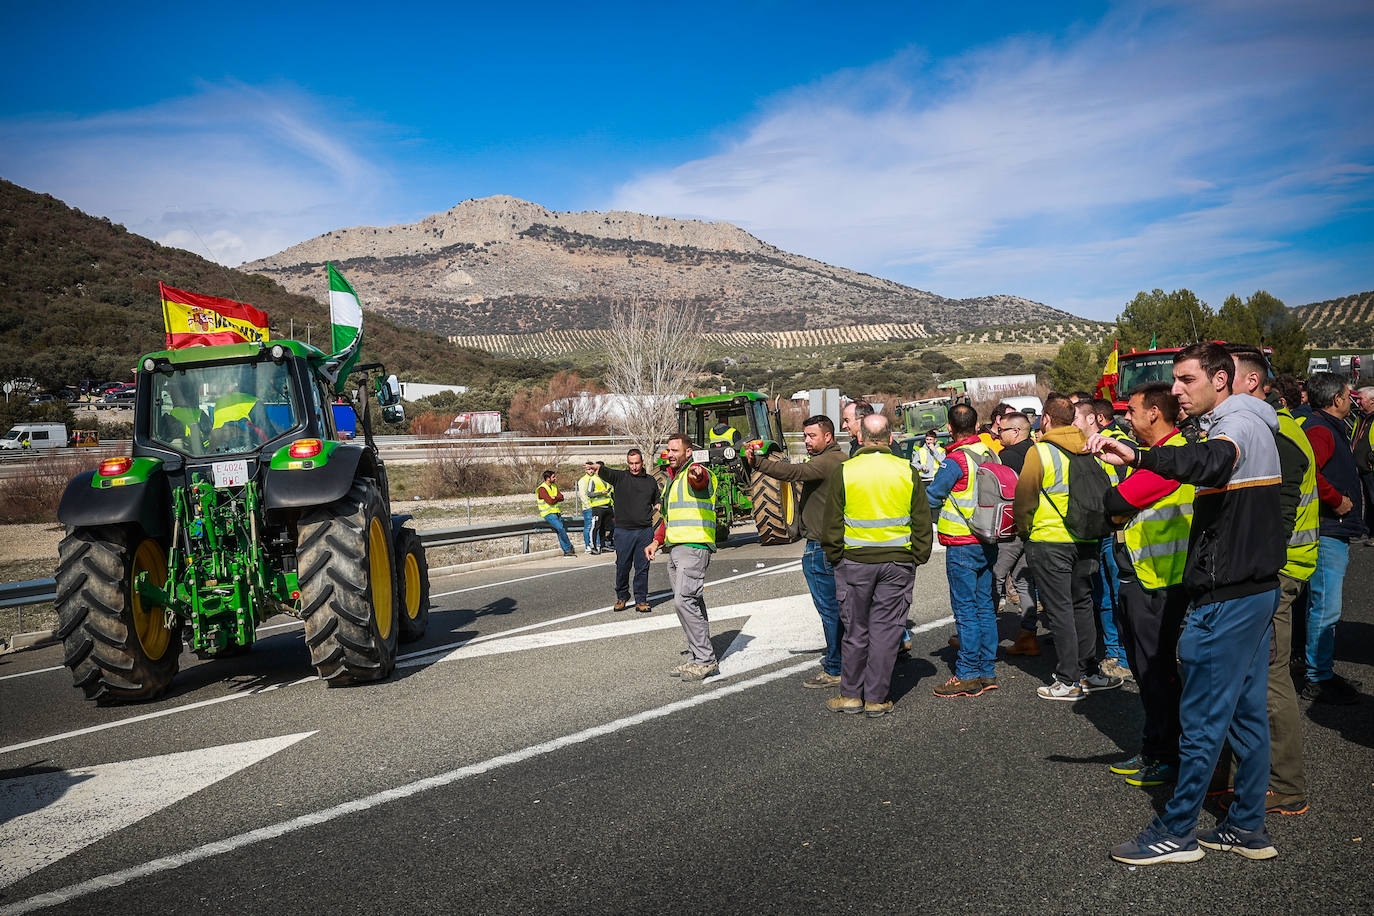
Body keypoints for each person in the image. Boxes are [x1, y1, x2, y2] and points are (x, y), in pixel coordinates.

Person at [1089, 342, 1285, 866]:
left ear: (1221, 380)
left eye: (1185, 380)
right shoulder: (1254, 424)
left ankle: (1175, 832)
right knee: (1246, 717)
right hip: (1252, 589)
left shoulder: (1235, 427)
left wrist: (1142, 455)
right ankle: (1246, 828)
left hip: (1228, 596)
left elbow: (1211, 460)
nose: (1175, 391)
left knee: (1199, 719)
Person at [1229, 360, 1316, 814]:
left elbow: (1275, 523)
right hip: (1275, 570)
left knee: (1270, 681)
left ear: (1252, 383)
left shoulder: (1275, 436)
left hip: (1276, 575)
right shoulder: (1266, 428)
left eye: (1228, 375)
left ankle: (1286, 785)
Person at [1102, 382, 1193, 789]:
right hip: (1146, 575)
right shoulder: (1157, 457)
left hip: (1158, 581)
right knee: (1145, 670)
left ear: (1155, 413)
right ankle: (1155, 748)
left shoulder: (1169, 458)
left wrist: (1118, 503)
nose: (1128, 418)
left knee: (1156, 673)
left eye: (1134, 411)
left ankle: (1166, 757)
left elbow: (1115, 503)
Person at [821, 414, 932, 716]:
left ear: (861, 438)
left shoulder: (846, 471)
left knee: (855, 630)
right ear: (891, 438)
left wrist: (836, 557)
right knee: (886, 631)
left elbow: (831, 521)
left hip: (854, 562)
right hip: (897, 563)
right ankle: (876, 698)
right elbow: (922, 519)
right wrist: (918, 556)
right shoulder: (906, 470)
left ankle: (850, 696)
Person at [1015, 394, 1121, 702]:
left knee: (1059, 609)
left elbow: (1024, 500)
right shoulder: (1089, 447)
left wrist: (1025, 532)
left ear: (1046, 419)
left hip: (1050, 541)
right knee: (1082, 604)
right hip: (1087, 538)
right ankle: (1090, 673)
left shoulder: (1041, 452)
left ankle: (1067, 679)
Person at [747, 415, 847, 689]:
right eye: (804, 436)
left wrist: (759, 463)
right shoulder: (843, 460)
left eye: (811, 436)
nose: (806, 441)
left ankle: (836, 666)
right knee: (846, 608)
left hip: (820, 546)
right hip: (837, 544)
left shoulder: (827, 462)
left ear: (828, 437)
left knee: (830, 611)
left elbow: (793, 473)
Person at [1299, 372, 1367, 705]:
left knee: (1324, 605)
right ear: (1337, 400)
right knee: (1326, 608)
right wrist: (1337, 500)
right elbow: (1310, 473)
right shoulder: (1321, 430)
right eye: (1348, 395)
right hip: (1326, 530)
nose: (1351, 401)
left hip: (1332, 529)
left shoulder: (1325, 427)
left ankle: (1318, 669)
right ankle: (1318, 677)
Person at [926, 403, 1000, 697]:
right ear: (978, 424)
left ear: (949, 428)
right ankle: (986, 670)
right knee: (984, 606)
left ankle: (967, 673)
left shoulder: (956, 459)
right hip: (988, 537)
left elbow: (934, 495)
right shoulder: (989, 452)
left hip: (962, 541)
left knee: (965, 609)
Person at [646, 434, 720, 681]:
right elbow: (669, 518)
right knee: (692, 602)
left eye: (675, 450)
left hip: (694, 547)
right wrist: (656, 541)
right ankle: (696, 657)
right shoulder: (671, 481)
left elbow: (701, 480)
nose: (670, 453)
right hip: (675, 549)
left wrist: (698, 474)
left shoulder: (695, 472)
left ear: (688, 453)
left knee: (683, 601)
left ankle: (705, 660)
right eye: (668, 449)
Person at [1073, 400, 1131, 679]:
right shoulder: (1087, 448)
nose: (1072, 426)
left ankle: (1125, 657)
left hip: (1114, 533)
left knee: (1119, 596)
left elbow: (1120, 490)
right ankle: (1113, 653)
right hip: (1099, 533)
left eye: (1076, 420)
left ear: (1092, 420)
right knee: (1105, 596)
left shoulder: (1111, 445)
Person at [589, 449, 660, 612]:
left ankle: (641, 600)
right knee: (622, 565)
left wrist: (658, 504)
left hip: (644, 531)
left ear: (642, 462)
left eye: (637, 463)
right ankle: (622, 596)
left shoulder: (650, 481)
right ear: (627, 463)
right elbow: (605, 472)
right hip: (623, 531)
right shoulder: (620, 477)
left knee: (642, 567)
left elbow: (656, 497)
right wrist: (597, 466)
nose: (634, 467)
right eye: (631, 463)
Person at [996, 412, 1041, 656]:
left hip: (1011, 527)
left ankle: (982, 637)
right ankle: (1028, 634)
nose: (997, 434)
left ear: (1015, 432)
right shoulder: (1036, 451)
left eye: (1001, 430)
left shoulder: (1008, 456)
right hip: (1033, 525)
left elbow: (1003, 495)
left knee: (995, 577)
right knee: (1024, 581)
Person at [536, 470, 577, 558]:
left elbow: (562, 497)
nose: (555, 478)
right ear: (548, 478)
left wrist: (555, 497)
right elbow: (550, 501)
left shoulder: (554, 486)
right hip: (548, 514)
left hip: (556, 513)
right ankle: (569, 547)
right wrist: (555, 498)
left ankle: (566, 551)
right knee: (560, 528)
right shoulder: (542, 489)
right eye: (553, 477)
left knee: (560, 531)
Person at [575, 467, 613, 555]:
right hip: (597, 507)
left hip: (607, 506)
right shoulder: (593, 480)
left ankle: (603, 545)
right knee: (594, 527)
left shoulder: (606, 479)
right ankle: (593, 547)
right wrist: (600, 493)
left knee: (604, 527)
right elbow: (589, 493)